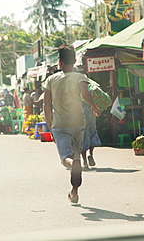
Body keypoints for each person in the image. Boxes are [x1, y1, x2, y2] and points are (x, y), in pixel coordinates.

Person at [43, 44, 100, 204]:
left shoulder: (51, 80)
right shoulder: (79, 77)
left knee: (65, 159)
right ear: (75, 61)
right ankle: (74, 192)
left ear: (59, 63)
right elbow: (85, 92)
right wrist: (93, 106)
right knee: (76, 157)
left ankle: (71, 163)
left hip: (60, 126)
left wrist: (49, 125)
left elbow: (46, 104)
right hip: (78, 125)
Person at [81, 101, 102, 169]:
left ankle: (85, 162)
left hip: (82, 118)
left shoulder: (79, 94)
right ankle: (91, 154)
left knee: (84, 139)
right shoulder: (92, 95)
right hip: (91, 117)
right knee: (92, 135)